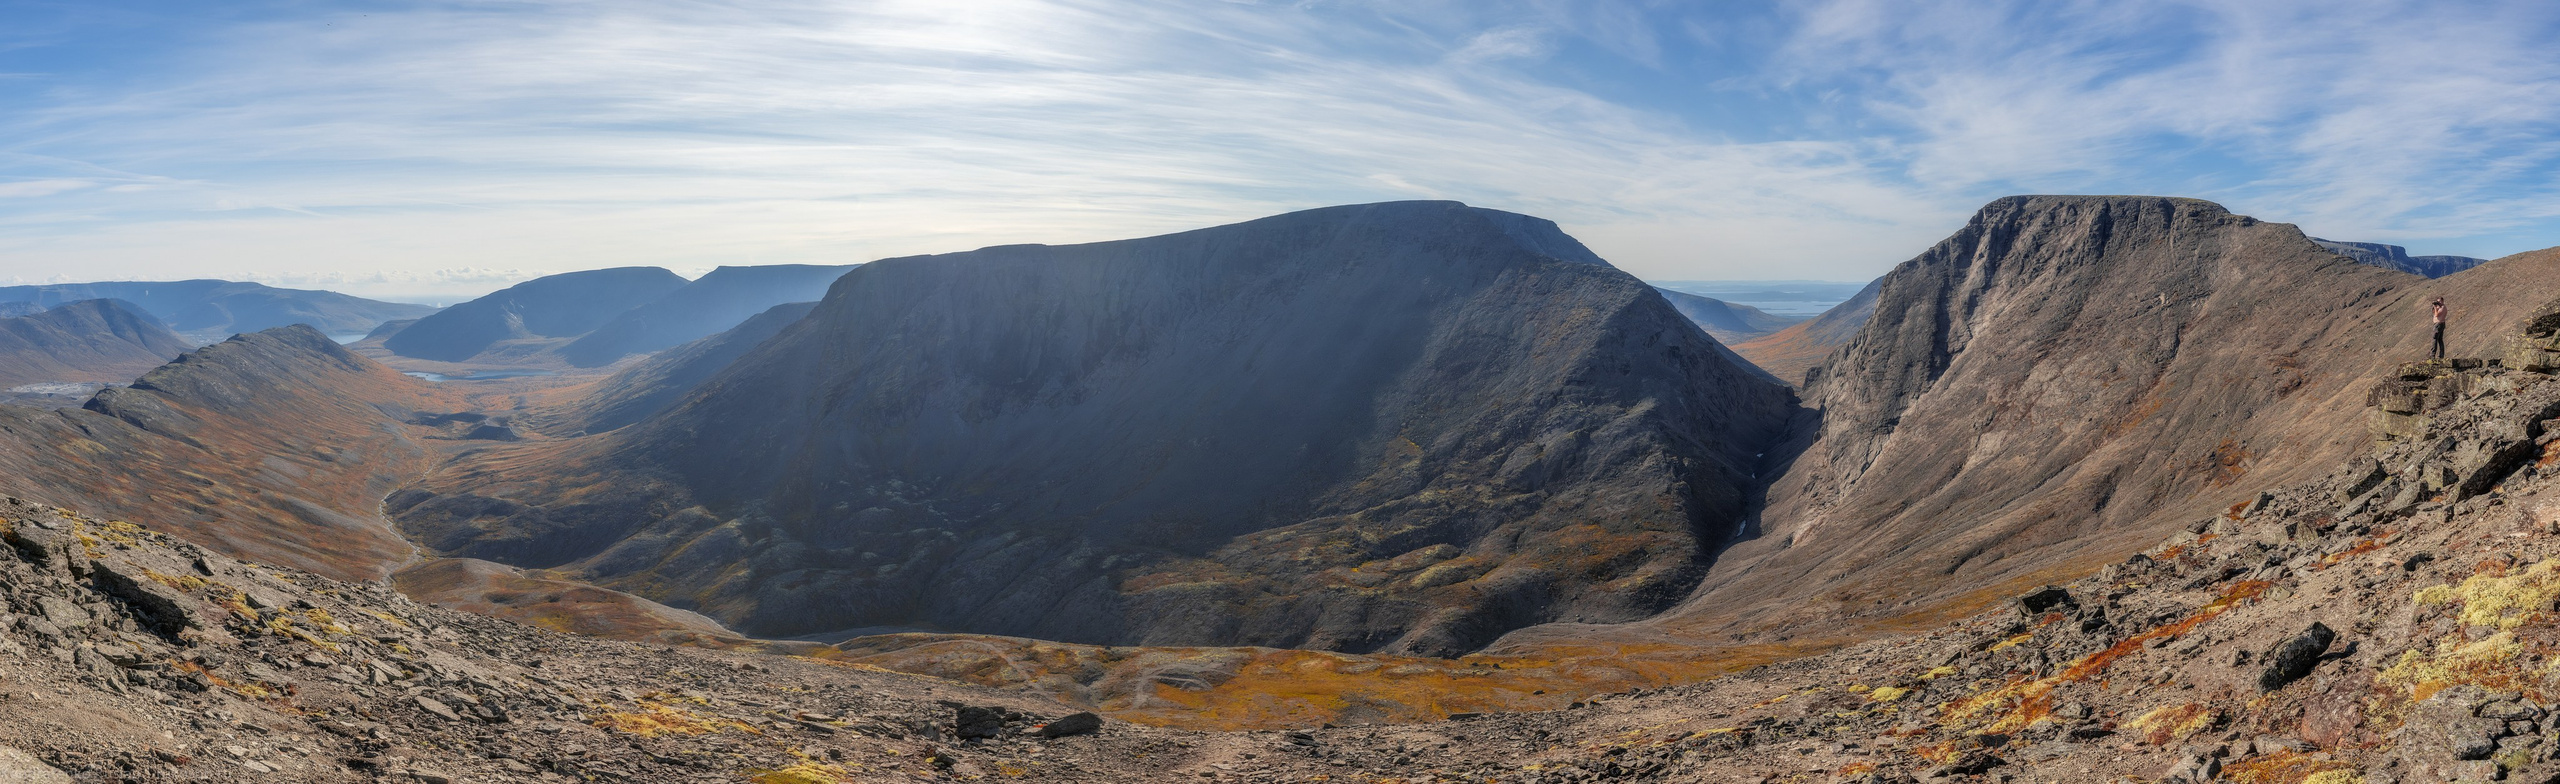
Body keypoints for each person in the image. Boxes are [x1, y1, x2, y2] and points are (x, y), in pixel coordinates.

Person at [2430, 296, 2448, 360]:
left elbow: (2437, 315)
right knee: (2440, 340)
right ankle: (2441, 355)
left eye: (2440, 301)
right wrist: (2435, 307)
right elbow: (2433, 312)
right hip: (2440, 324)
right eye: (2438, 301)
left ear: (2442, 301)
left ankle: (2432, 355)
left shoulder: (2443, 307)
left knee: (2434, 339)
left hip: (2438, 324)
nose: (2439, 303)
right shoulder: (2440, 307)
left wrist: (2435, 307)